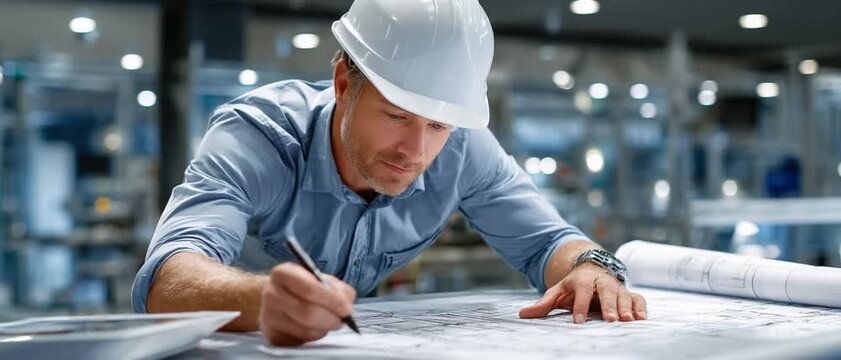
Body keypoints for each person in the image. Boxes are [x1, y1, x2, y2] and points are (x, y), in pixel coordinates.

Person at [133, 0, 647, 347]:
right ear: (342, 84)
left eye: (437, 125)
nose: (415, 151)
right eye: (397, 116)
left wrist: (593, 266)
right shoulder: (259, 137)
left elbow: (548, 242)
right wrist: (262, 300)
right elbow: (166, 277)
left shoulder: (462, 147)